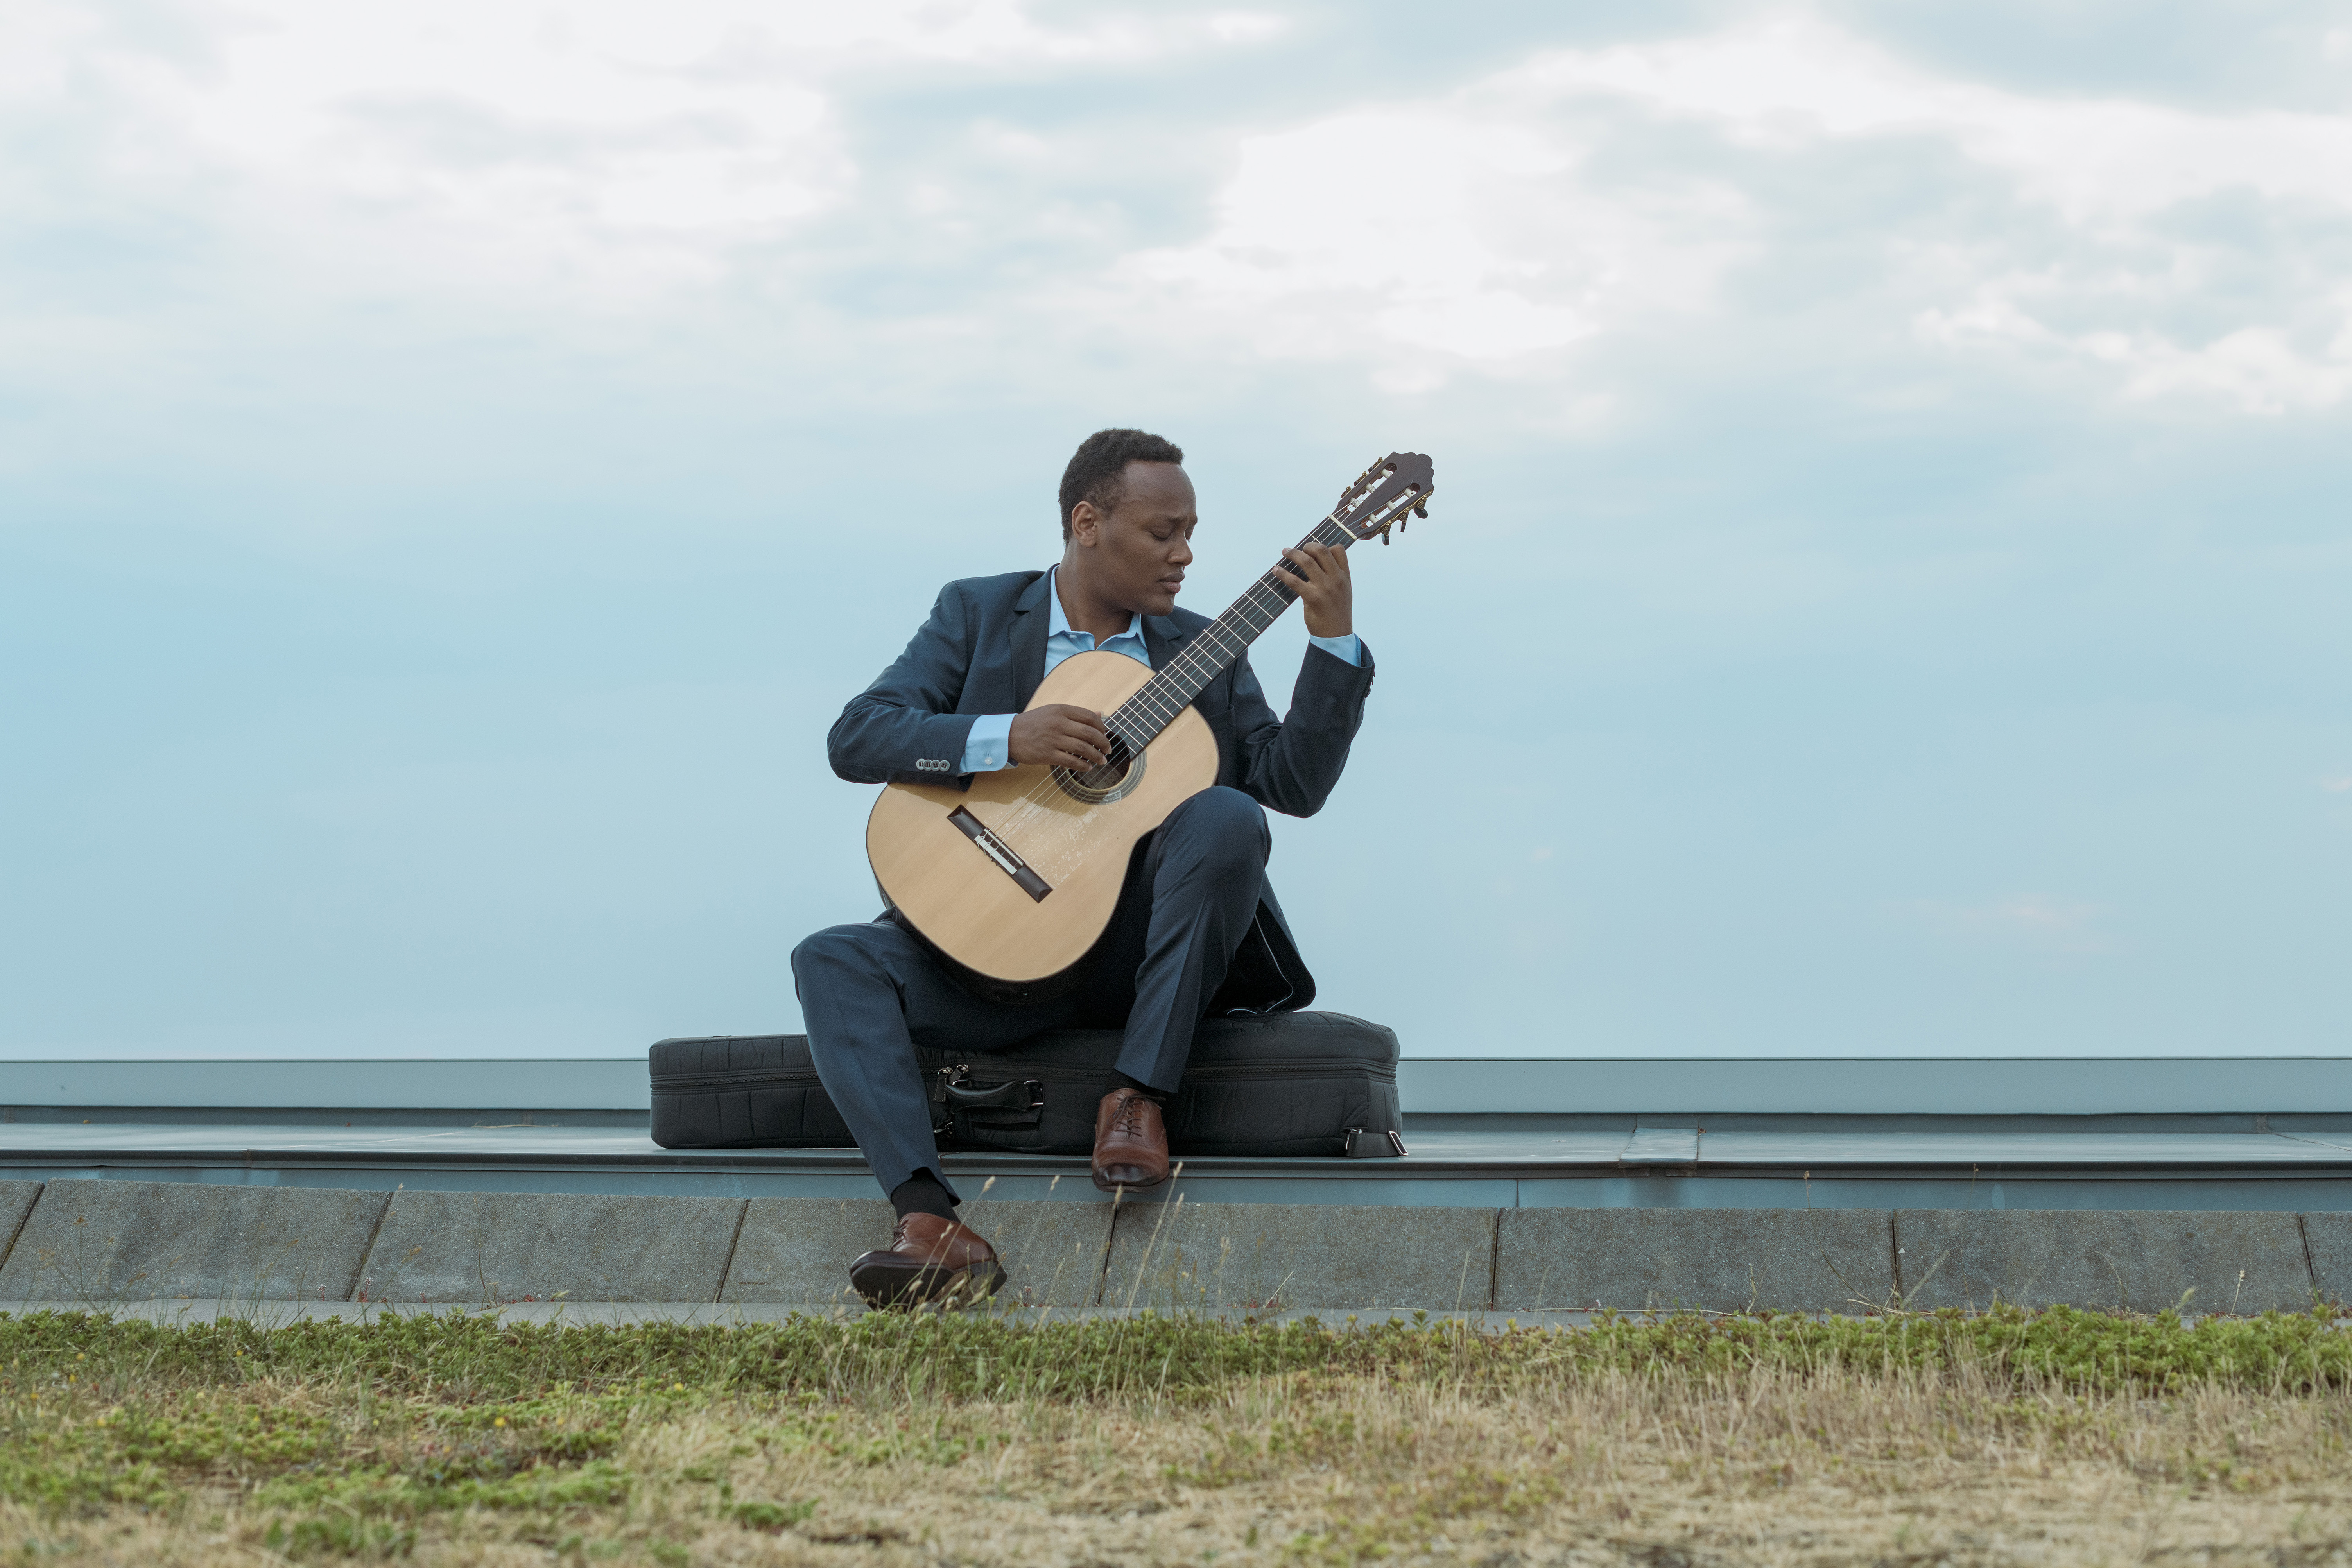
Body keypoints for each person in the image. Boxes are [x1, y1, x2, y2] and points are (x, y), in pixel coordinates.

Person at [793, 428, 1375, 1308]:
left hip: (1131, 959)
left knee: (1226, 810)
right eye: (1161, 531)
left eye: (1191, 531)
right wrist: (1007, 736)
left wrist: (1331, 644)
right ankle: (929, 1222)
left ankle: (1137, 1094)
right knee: (829, 958)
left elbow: (1290, 784)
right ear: (1086, 521)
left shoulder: (1201, 651)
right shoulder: (979, 613)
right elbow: (858, 734)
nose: (1184, 554)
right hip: (986, 946)